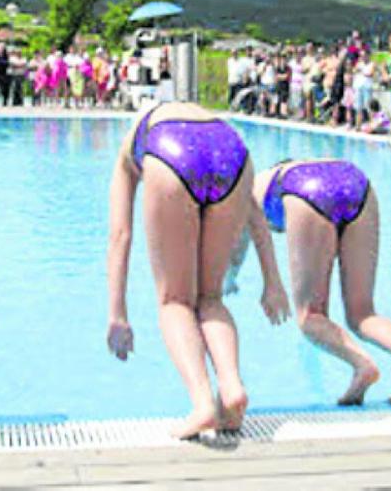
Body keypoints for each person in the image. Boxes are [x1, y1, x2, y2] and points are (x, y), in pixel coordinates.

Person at [106, 103, 289, 439]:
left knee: (175, 300)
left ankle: (203, 404)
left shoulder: (129, 149)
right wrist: (272, 281)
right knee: (210, 297)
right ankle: (231, 385)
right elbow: (256, 217)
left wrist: (117, 314)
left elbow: (120, 235)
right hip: (232, 151)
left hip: (170, 150)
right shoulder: (199, 118)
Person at [234, 159, 391, 405]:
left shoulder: (256, 187)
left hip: (306, 189)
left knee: (310, 317)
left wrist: (236, 280)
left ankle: (361, 365)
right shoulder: (297, 169)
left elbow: (240, 241)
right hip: (355, 180)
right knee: (363, 315)